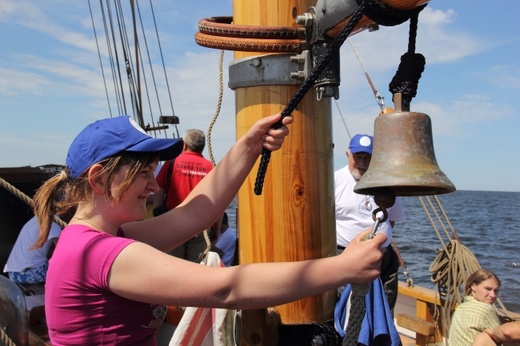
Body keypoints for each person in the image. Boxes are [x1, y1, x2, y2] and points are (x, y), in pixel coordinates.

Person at [32, 114, 386, 345]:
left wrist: (248, 148)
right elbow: (224, 289)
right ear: (98, 179)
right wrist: (341, 269)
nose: (153, 186)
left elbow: (193, 215)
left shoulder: (102, 240)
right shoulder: (101, 253)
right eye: (142, 173)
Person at [334, 134, 404, 309]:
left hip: (383, 257)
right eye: (358, 157)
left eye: (368, 157)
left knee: (384, 310)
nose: (362, 162)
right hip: (345, 255)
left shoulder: (388, 184)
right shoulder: (333, 182)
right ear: (348, 155)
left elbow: (391, 220)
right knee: (348, 310)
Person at [153, 128, 214, 262]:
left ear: (184, 145)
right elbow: (218, 199)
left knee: (172, 265)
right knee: (196, 269)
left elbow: (158, 190)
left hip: (173, 223)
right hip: (201, 226)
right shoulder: (210, 167)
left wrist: (158, 214)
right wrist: (215, 229)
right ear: (202, 147)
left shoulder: (172, 162)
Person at [4, 214, 65, 284]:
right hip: (27, 273)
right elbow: (62, 252)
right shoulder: (53, 222)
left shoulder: (36, 219)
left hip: (13, 273)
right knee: (67, 271)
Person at [449, 268, 502, 346]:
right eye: (488, 289)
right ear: (473, 286)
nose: (493, 295)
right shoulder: (485, 309)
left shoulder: (462, 307)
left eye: (496, 290)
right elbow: (502, 338)